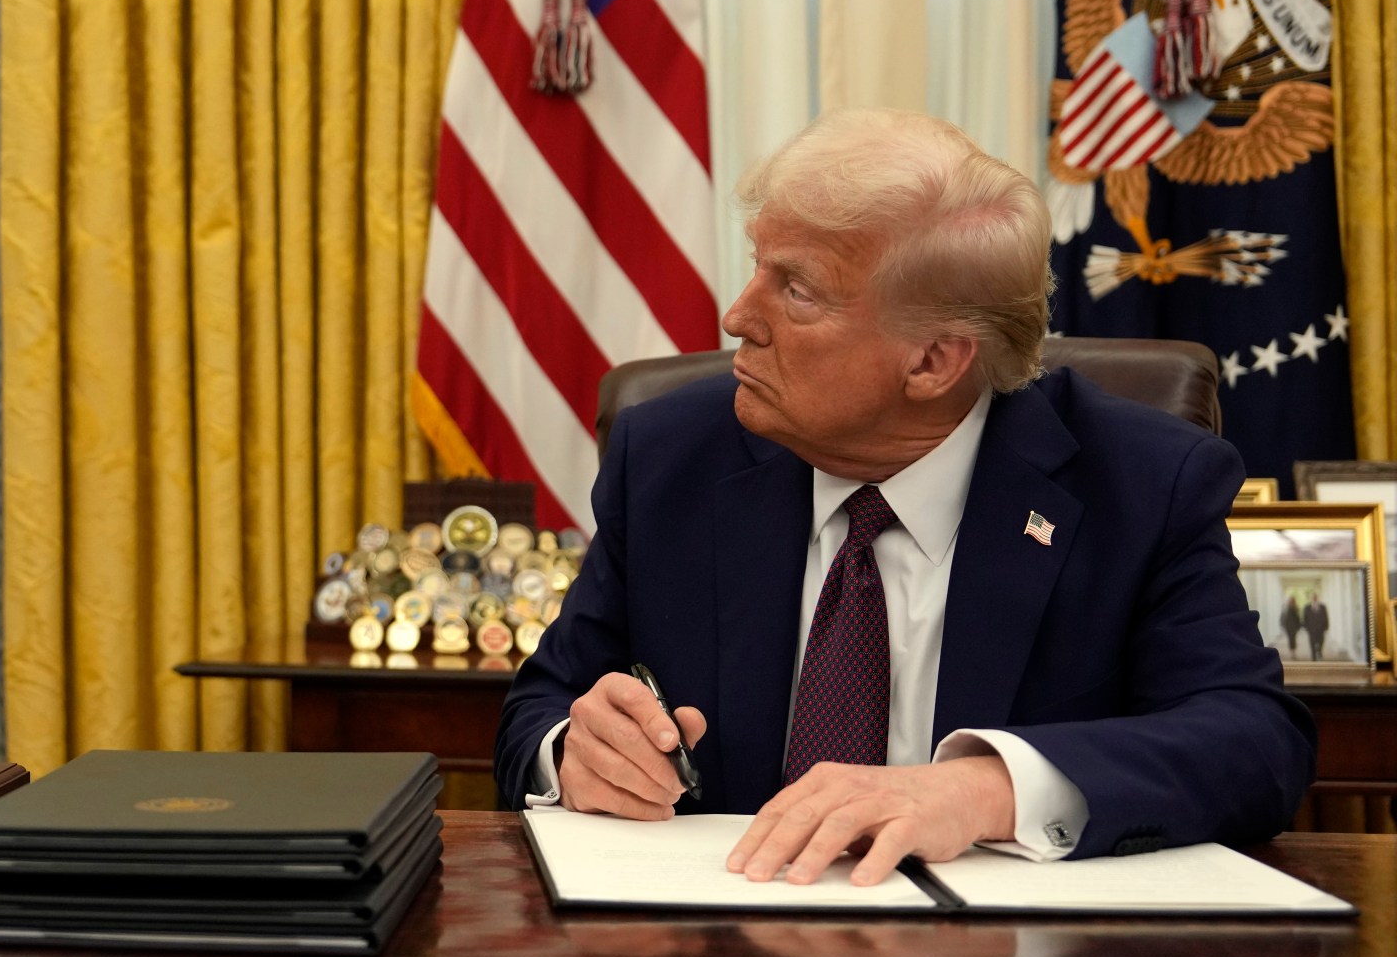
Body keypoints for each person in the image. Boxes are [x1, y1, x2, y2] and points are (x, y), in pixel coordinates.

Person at [494, 107, 1313, 887]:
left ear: (933, 362)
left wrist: (985, 789)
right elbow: (539, 707)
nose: (739, 316)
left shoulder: (1139, 483)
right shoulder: (672, 457)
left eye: (797, 290)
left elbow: (1254, 745)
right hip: (722, 946)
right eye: (757, 265)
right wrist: (572, 753)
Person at [1303, 594, 1330, 661]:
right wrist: (1306, 627)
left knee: (1321, 641)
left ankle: (1319, 651)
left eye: (1315, 597)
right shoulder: (1307, 607)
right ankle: (1313, 656)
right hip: (1311, 629)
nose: (1314, 599)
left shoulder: (1322, 607)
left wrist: (1326, 626)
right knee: (1312, 642)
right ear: (1311, 599)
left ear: (1317, 598)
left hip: (1321, 628)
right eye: (1313, 598)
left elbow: (1326, 617)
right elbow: (1304, 618)